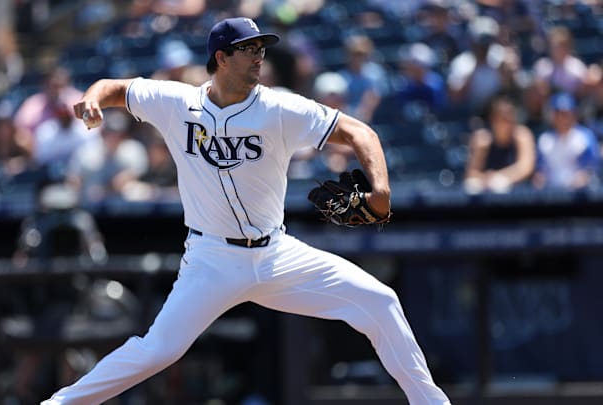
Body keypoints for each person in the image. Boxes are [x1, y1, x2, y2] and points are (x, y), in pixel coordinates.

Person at [42, 17, 451, 405]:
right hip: (212, 260)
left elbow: (360, 132)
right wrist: (92, 101)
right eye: (248, 49)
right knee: (158, 350)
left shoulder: (281, 108)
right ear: (221, 58)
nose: (259, 56)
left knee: (380, 301)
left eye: (261, 48)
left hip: (276, 255)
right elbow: (113, 88)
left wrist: (380, 189)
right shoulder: (175, 101)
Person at [464, 95, 536, 194]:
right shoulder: (483, 139)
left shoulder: (522, 135)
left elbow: (525, 168)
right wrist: (486, 178)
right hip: (487, 187)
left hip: (518, 192)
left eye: (508, 117)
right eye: (501, 118)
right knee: (471, 186)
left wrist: (498, 177)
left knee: (499, 184)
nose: (505, 122)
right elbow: (472, 173)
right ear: (492, 120)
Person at [533, 92, 600, 190]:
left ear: (574, 114)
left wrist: (585, 175)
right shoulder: (545, 139)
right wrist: (539, 178)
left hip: (578, 196)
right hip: (551, 195)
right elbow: (540, 170)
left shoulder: (585, 137)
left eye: (566, 114)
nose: (563, 118)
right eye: (559, 114)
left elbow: (593, 167)